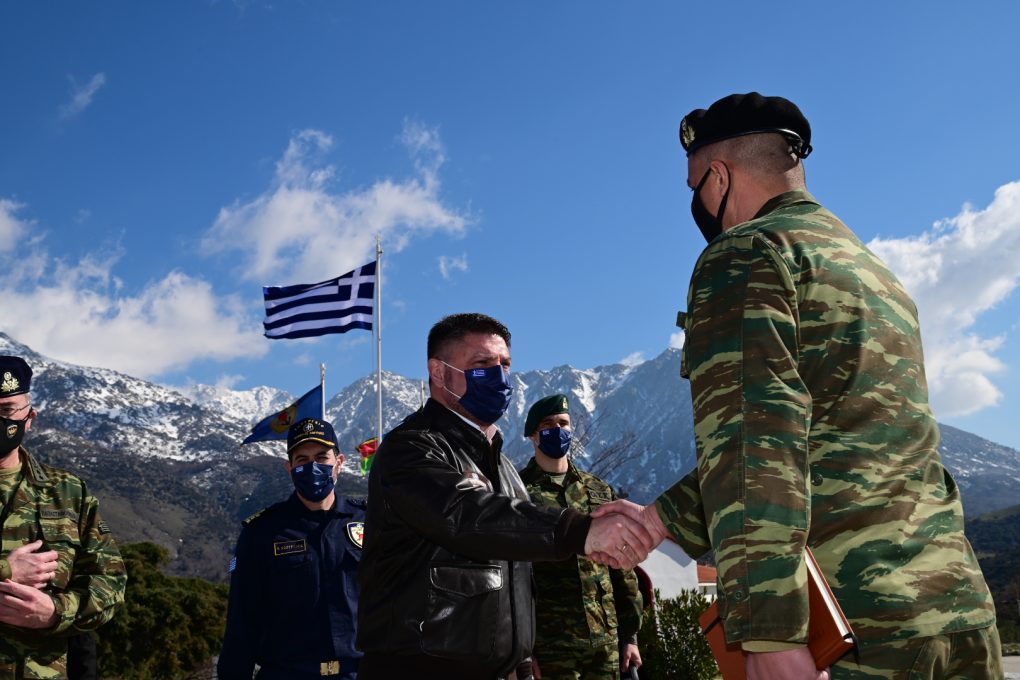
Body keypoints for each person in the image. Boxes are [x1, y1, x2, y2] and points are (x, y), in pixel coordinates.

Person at [593, 92, 1004, 680]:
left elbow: (755, 449)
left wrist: (769, 634)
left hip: (851, 625)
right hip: (954, 611)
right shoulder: (874, 273)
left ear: (718, 175)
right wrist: (659, 521)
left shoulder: (747, 253)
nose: (697, 204)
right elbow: (830, 436)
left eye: (694, 187)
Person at [357, 313, 654, 680]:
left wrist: (523, 661)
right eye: (482, 364)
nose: (498, 375)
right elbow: (467, 515)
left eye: (505, 364)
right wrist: (579, 531)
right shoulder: (411, 449)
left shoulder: (504, 467)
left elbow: (517, 575)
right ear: (439, 372)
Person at [0, 355, 127, 679]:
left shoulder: (69, 493)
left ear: (30, 417)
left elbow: (110, 583)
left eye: (6, 410)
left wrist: (56, 612)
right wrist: (7, 570)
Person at [218, 417, 366, 680]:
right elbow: (243, 624)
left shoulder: (370, 522)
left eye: (322, 457)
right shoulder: (262, 533)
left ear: (340, 462)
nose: (313, 466)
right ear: (289, 468)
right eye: (302, 460)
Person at [518, 394, 643, 680]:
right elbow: (513, 577)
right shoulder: (518, 493)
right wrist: (524, 651)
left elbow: (622, 566)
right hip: (551, 643)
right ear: (533, 436)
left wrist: (630, 637)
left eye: (563, 423)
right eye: (548, 425)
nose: (557, 430)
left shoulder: (597, 490)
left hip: (605, 640)